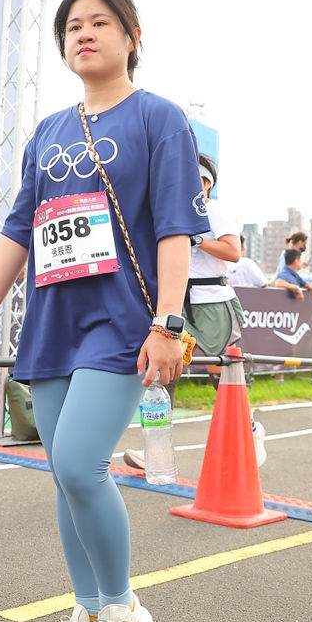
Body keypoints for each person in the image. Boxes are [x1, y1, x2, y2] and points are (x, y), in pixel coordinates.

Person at [0, 0, 209, 622]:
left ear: (132, 37)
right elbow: (19, 228)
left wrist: (168, 322)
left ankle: (123, 617)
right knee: (64, 476)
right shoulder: (47, 132)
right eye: (72, 26)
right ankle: (91, 614)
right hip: (53, 321)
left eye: (100, 22)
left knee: (78, 463)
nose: (83, 34)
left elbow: (174, 227)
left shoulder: (158, 118)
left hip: (121, 320)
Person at [125, 156, 267, 470]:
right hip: (176, 301)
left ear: (206, 184)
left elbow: (233, 252)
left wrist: (198, 239)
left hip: (213, 301)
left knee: (224, 373)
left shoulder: (214, 211)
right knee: (163, 372)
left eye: (194, 177)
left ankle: (250, 430)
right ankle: (156, 451)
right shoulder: (167, 209)